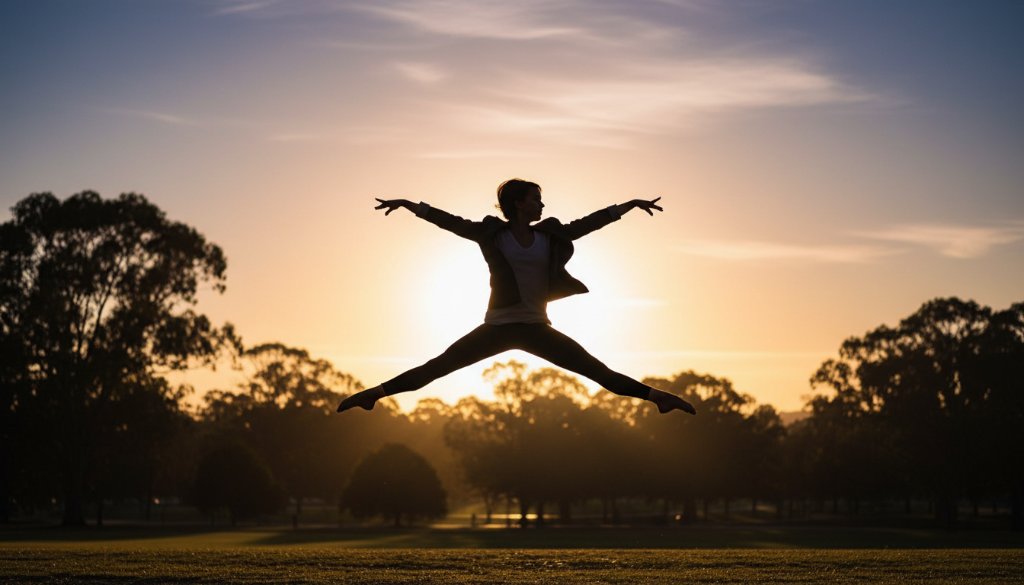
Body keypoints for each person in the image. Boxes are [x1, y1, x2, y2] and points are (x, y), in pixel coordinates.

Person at [337, 179, 696, 415]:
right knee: (437, 367)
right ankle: (374, 394)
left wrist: (627, 206)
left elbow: (587, 224)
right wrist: (412, 206)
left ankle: (657, 398)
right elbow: (451, 222)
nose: (541, 204)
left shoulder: (549, 236)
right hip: (497, 328)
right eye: (536, 199)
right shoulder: (492, 235)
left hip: (537, 328)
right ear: (518, 203)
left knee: (597, 371)